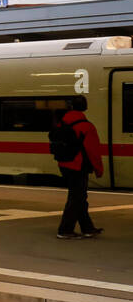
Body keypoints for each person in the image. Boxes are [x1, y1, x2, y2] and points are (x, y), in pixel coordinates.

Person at [50, 96, 104, 239]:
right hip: (78, 166)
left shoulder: (62, 123)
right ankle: (65, 230)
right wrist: (99, 169)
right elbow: (93, 151)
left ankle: (88, 228)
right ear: (85, 107)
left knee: (79, 197)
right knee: (76, 198)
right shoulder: (86, 126)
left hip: (64, 164)